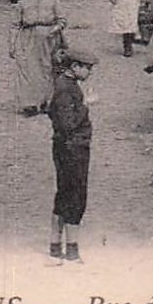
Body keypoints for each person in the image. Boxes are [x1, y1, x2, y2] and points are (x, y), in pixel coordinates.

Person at [48, 45, 98, 263]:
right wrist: (86, 105)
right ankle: (72, 250)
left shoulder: (64, 84)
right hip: (73, 148)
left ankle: (55, 245)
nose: (89, 72)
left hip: (65, 146)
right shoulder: (66, 89)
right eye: (87, 68)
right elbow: (67, 123)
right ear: (74, 66)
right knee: (76, 196)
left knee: (64, 194)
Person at [10, 0, 66, 116]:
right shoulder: (23, 3)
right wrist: (12, 44)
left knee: (47, 69)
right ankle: (30, 104)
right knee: (28, 69)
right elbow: (15, 26)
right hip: (28, 38)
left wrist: (55, 29)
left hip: (49, 39)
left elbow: (62, 20)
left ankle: (46, 101)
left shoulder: (53, 1)